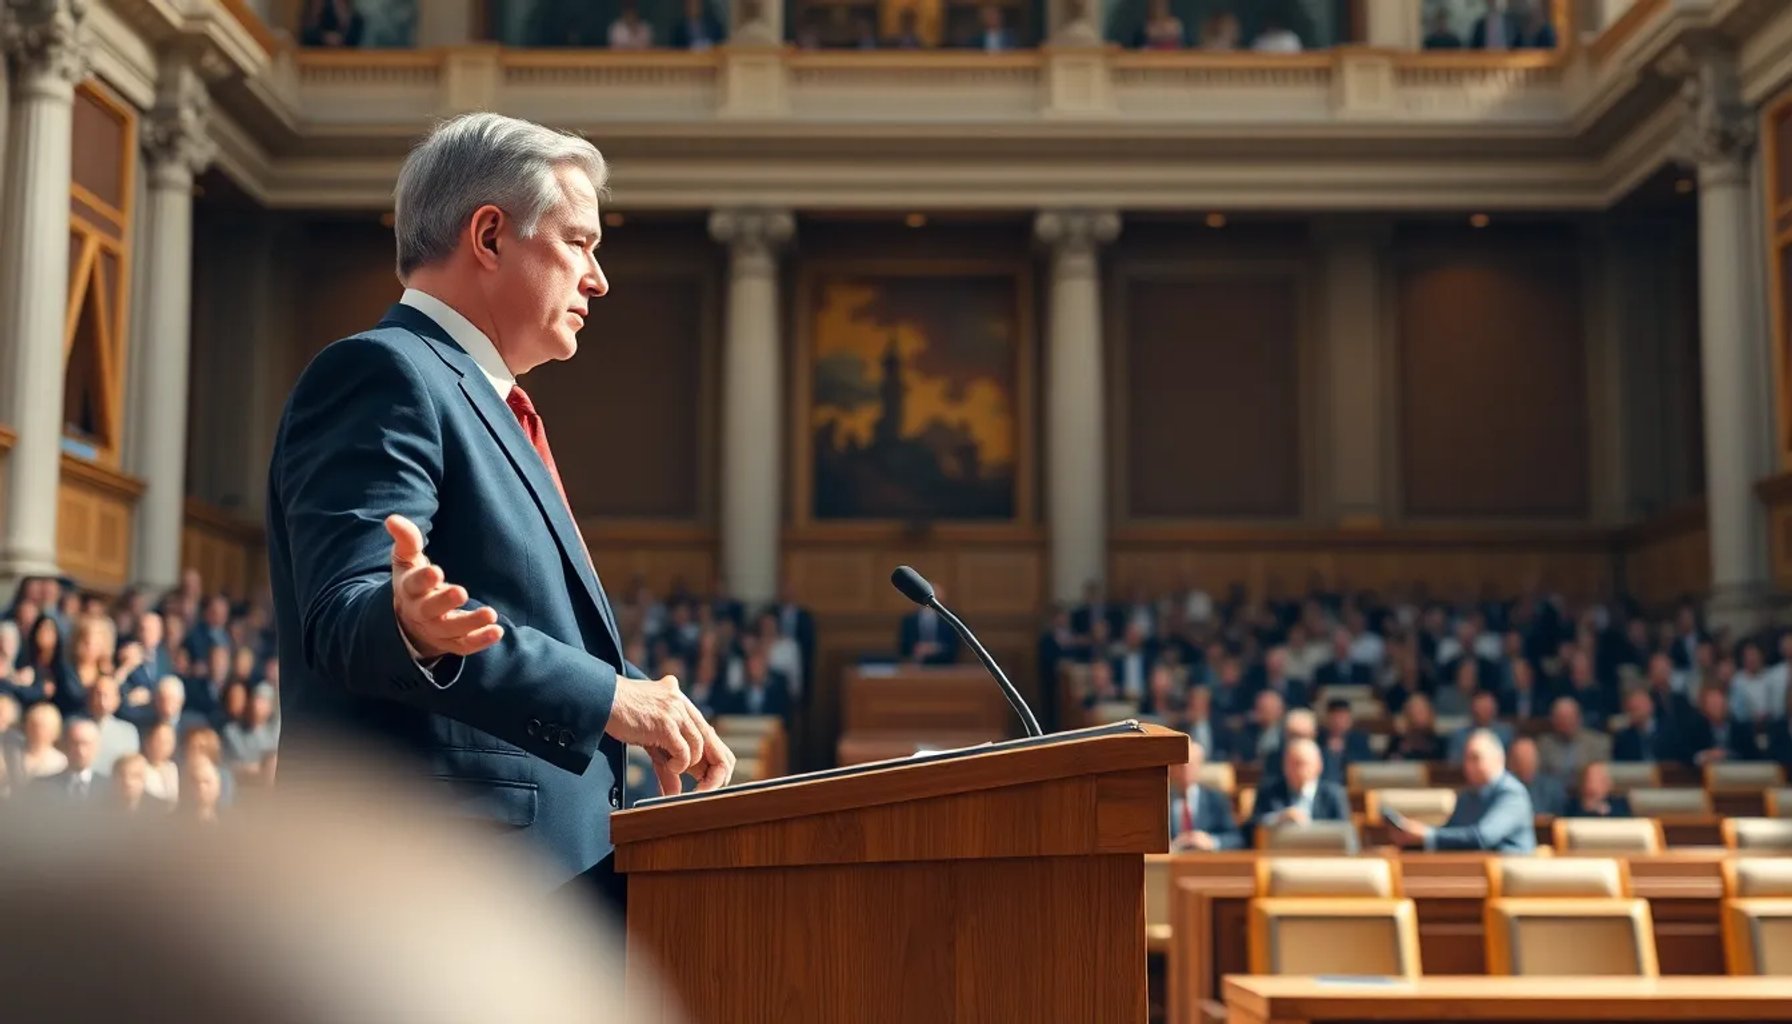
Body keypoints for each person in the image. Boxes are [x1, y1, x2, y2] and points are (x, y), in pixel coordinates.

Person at [265, 113, 733, 918]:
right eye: (580, 243)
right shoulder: (383, 374)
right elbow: (346, 616)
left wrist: (624, 694)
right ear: (490, 235)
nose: (599, 278)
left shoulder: (490, 402)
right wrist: (405, 621)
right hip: (434, 904)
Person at [1388, 729, 1536, 852]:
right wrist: (1413, 838)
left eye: (1476, 758)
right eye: (1466, 759)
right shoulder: (1467, 796)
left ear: (1498, 758)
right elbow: (1452, 833)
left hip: (1510, 879)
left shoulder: (1512, 794)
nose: (1468, 766)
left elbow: (1483, 838)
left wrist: (1427, 835)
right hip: (1473, 873)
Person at [1248, 737, 1349, 844]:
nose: (1299, 770)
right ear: (1284, 766)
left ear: (1318, 766)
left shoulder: (1333, 794)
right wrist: (1279, 818)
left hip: (1322, 853)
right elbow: (1251, 827)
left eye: (1303, 763)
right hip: (1281, 853)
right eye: (1293, 764)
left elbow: (1343, 831)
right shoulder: (1269, 791)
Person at [1168, 738, 1243, 851]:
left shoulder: (1216, 799)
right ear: (1171, 768)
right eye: (1180, 765)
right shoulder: (1161, 801)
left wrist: (1211, 842)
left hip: (1206, 861)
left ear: (1199, 766)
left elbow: (1236, 839)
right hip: (1171, 862)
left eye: (1190, 765)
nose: (1185, 770)